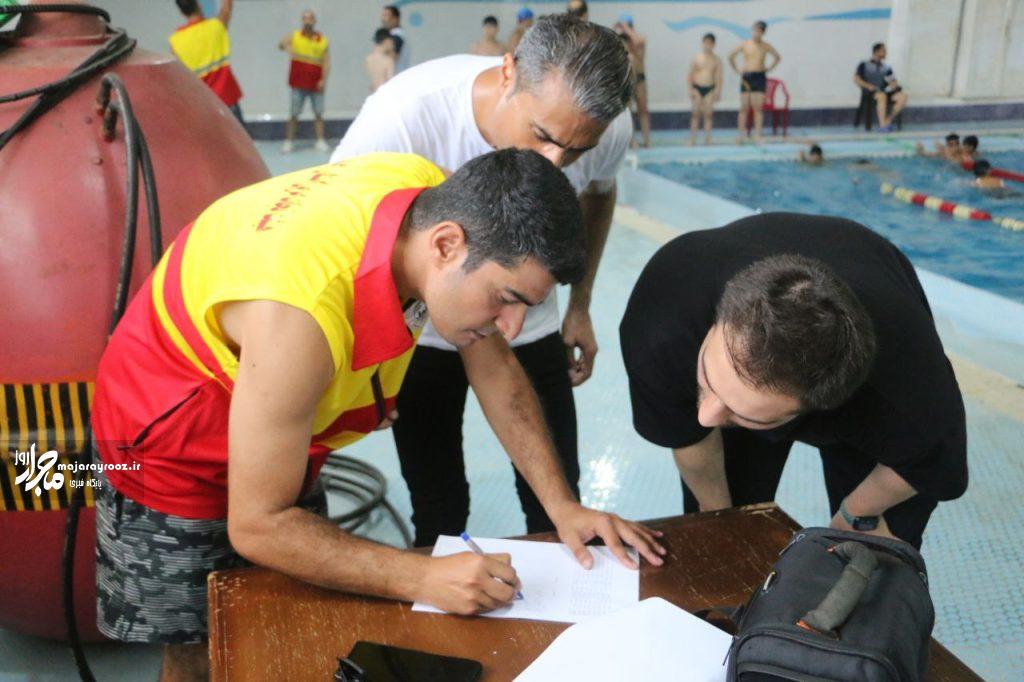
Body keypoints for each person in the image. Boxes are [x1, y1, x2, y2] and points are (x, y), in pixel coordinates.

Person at [92, 149, 665, 681]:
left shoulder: (432, 200)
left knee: (288, 622)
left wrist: (561, 505)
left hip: (272, 408)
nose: (510, 327)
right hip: (168, 439)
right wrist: (424, 576)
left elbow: (494, 366)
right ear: (446, 246)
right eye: (506, 299)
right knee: (202, 647)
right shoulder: (300, 317)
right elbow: (259, 524)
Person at [331, 14, 635, 549]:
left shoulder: (602, 124)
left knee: (557, 497)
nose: (555, 163)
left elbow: (598, 195)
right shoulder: (404, 119)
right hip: (421, 332)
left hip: (530, 317)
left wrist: (579, 304)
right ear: (509, 72)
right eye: (543, 136)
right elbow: (341, 238)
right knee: (439, 504)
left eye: (576, 150)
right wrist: (367, 364)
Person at [620, 214, 968, 551]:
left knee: (870, 553)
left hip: (875, 302)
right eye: (708, 378)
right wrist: (721, 520)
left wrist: (854, 516)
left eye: (745, 414)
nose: (705, 416)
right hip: (732, 284)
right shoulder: (665, 318)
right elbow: (689, 438)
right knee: (720, 532)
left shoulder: (901, 391)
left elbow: (930, 466)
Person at [168, 0, 244, 126]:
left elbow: (179, 77)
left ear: (182, 12)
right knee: (239, 139)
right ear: (198, 4)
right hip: (227, 99)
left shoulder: (176, 41)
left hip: (202, 106)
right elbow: (227, 7)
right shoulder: (215, 27)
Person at [278, 9, 330, 153]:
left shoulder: (322, 40)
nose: (308, 21)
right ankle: (289, 142)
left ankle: (320, 140)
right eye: (305, 18)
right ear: (302, 20)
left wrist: (323, 80)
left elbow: (326, 62)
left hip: (315, 83)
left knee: (318, 113)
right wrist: (287, 47)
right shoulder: (295, 36)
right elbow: (281, 44)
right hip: (298, 82)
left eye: (310, 18)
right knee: (294, 113)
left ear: (314, 21)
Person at [729, 20, 780, 144]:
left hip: (760, 77)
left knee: (758, 108)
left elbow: (777, 57)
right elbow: (731, 56)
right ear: (752, 30)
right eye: (755, 30)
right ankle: (741, 135)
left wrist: (768, 68)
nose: (757, 33)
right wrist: (737, 69)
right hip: (747, 77)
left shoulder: (765, 46)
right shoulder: (745, 44)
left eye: (760, 31)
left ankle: (758, 135)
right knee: (744, 107)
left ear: (763, 33)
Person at [853, 42, 908, 132]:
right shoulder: (864, 65)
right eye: (884, 51)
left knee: (902, 97)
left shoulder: (886, 67)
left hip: (884, 91)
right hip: (871, 93)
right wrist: (868, 86)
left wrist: (893, 84)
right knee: (882, 96)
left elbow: (892, 80)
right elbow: (857, 79)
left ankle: (887, 120)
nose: (886, 53)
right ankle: (882, 125)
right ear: (877, 52)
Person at [614, 16, 650, 148]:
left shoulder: (639, 41)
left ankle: (647, 141)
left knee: (643, 110)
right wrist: (618, 29)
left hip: (639, 79)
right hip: (627, 81)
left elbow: (639, 41)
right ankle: (632, 141)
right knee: (628, 113)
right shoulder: (621, 42)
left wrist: (626, 28)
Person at [687, 32, 721, 146]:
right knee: (695, 114)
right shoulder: (697, 58)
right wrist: (690, 89)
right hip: (697, 88)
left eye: (710, 43)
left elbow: (718, 77)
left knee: (708, 115)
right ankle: (692, 139)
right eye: (706, 43)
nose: (707, 46)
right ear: (702, 43)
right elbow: (690, 74)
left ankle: (707, 139)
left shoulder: (716, 60)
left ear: (713, 45)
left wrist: (717, 91)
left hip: (710, 89)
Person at [365, 27, 397, 92]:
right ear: (387, 40)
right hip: (385, 94)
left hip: (374, 95)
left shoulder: (368, 59)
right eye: (392, 41)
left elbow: (372, 84)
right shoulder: (388, 61)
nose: (393, 44)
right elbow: (390, 84)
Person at [382, 5, 409, 73]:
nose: (383, 19)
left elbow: (391, 59)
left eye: (386, 15)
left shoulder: (397, 36)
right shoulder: (396, 34)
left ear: (395, 19)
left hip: (395, 75)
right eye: (383, 15)